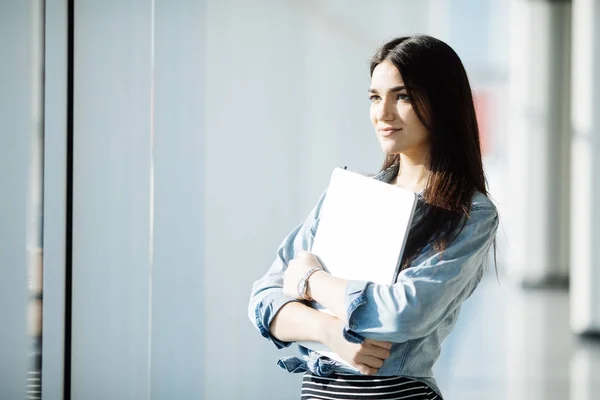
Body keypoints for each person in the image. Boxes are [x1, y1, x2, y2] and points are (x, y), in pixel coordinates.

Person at [248, 35, 499, 400]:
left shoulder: (469, 212)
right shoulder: (347, 196)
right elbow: (263, 299)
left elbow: (401, 314)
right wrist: (328, 331)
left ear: (442, 102)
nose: (383, 113)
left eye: (403, 96)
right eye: (375, 97)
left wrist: (308, 278)